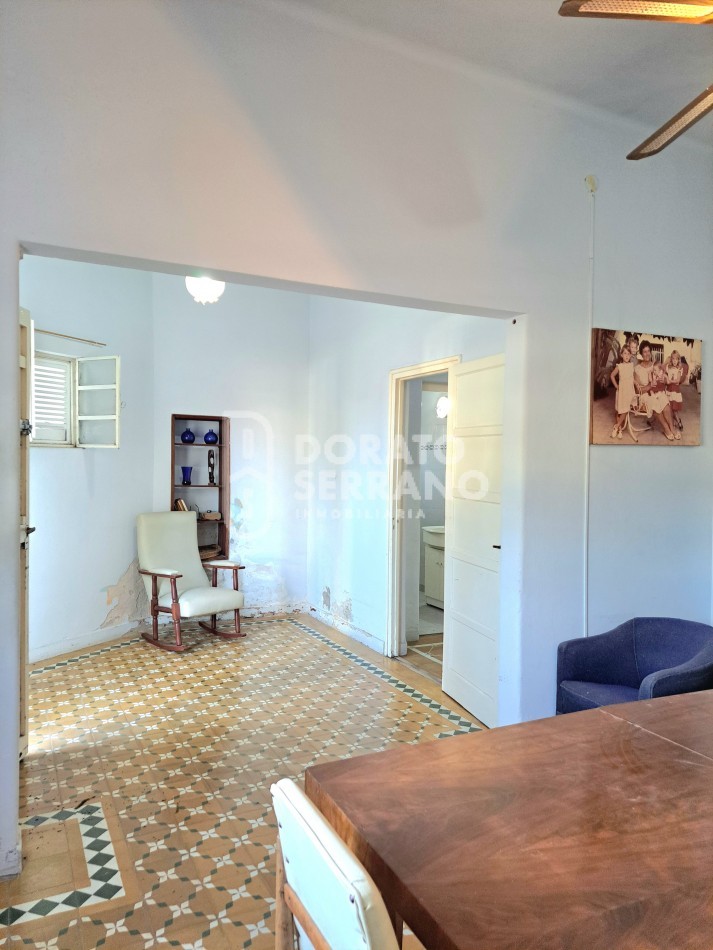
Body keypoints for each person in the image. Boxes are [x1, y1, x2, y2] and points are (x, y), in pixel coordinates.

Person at [635, 341, 678, 442]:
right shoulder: (637, 369)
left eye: (648, 351)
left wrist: (663, 380)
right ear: (641, 353)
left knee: (664, 400)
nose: (647, 354)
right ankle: (666, 429)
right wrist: (650, 386)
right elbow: (638, 390)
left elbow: (665, 379)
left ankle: (672, 428)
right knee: (654, 402)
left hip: (657, 392)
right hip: (645, 395)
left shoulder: (656, 365)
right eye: (644, 351)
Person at [610, 345, 635, 439]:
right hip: (622, 392)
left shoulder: (631, 365)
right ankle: (619, 429)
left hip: (629, 391)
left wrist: (636, 383)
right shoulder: (619, 366)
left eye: (628, 354)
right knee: (620, 411)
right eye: (625, 353)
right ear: (621, 355)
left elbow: (631, 378)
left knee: (626, 409)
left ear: (631, 355)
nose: (627, 356)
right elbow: (612, 375)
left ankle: (616, 427)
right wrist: (616, 386)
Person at [665, 350, 685, 431]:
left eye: (676, 359)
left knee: (674, 409)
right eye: (673, 359)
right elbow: (665, 375)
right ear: (671, 359)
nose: (674, 361)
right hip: (669, 389)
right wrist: (666, 379)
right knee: (669, 408)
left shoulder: (679, 369)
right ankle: (672, 423)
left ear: (678, 360)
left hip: (675, 390)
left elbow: (677, 380)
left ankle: (678, 421)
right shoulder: (668, 367)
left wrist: (670, 381)